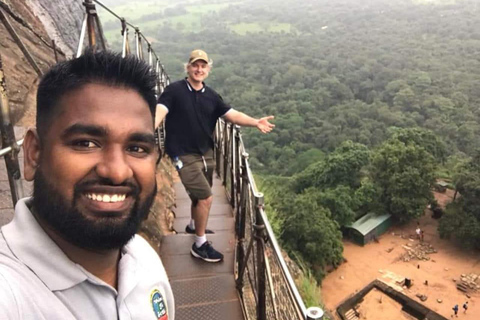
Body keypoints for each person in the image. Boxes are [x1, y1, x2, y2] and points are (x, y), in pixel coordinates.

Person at [0, 51, 174, 319]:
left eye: (137, 148)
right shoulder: (10, 293)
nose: (116, 172)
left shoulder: (142, 258)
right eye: (85, 143)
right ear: (34, 152)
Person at [155, 49, 274, 263]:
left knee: (198, 195)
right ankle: (199, 244)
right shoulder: (174, 90)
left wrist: (255, 122)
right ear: (188, 67)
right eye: (195, 65)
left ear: (208, 69)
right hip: (182, 153)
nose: (199, 69)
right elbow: (161, 110)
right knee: (205, 197)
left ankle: (193, 225)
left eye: (203, 66)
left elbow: (232, 115)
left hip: (205, 152)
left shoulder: (211, 96)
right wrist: (147, 129)